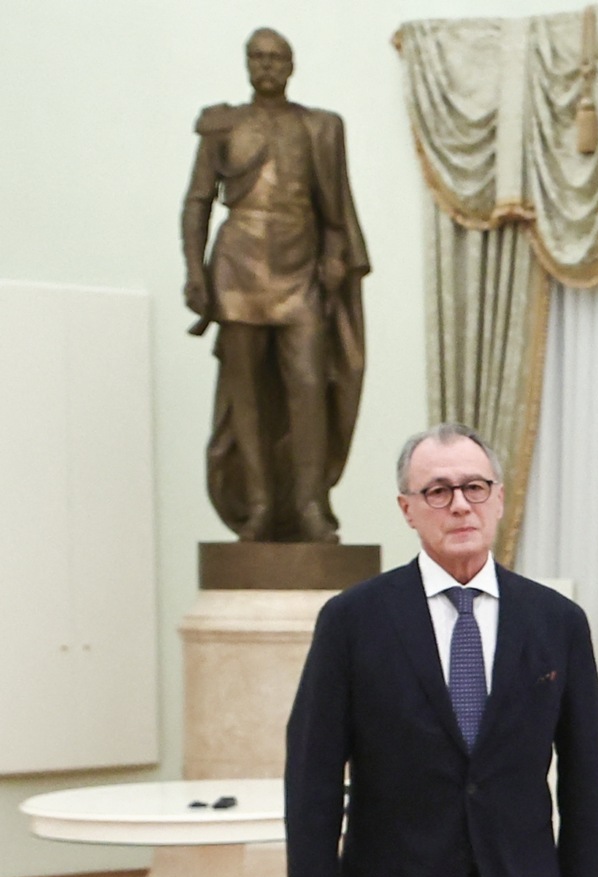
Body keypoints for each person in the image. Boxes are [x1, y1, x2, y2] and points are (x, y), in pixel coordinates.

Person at [285, 423, 598, 877]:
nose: (459, 504)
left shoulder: (556, 621)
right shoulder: (352, 621)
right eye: (437, 491)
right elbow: (312, 777)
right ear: (407, 509)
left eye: (474, 487)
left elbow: (586, 771)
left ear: (499, 499)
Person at [183, 27, 370, 544]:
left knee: (309, 384)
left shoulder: (319, 127)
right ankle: (260, 504)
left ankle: (310, 502)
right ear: (248, 63)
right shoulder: (222, 125)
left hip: (299, 266)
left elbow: (334, 207)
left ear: (291, 66)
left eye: (276, 58)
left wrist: (335, 254)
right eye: (258, 57)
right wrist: (194, 271)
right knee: (245, 393)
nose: (267, 66)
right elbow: (198, 201)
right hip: (237, 267)